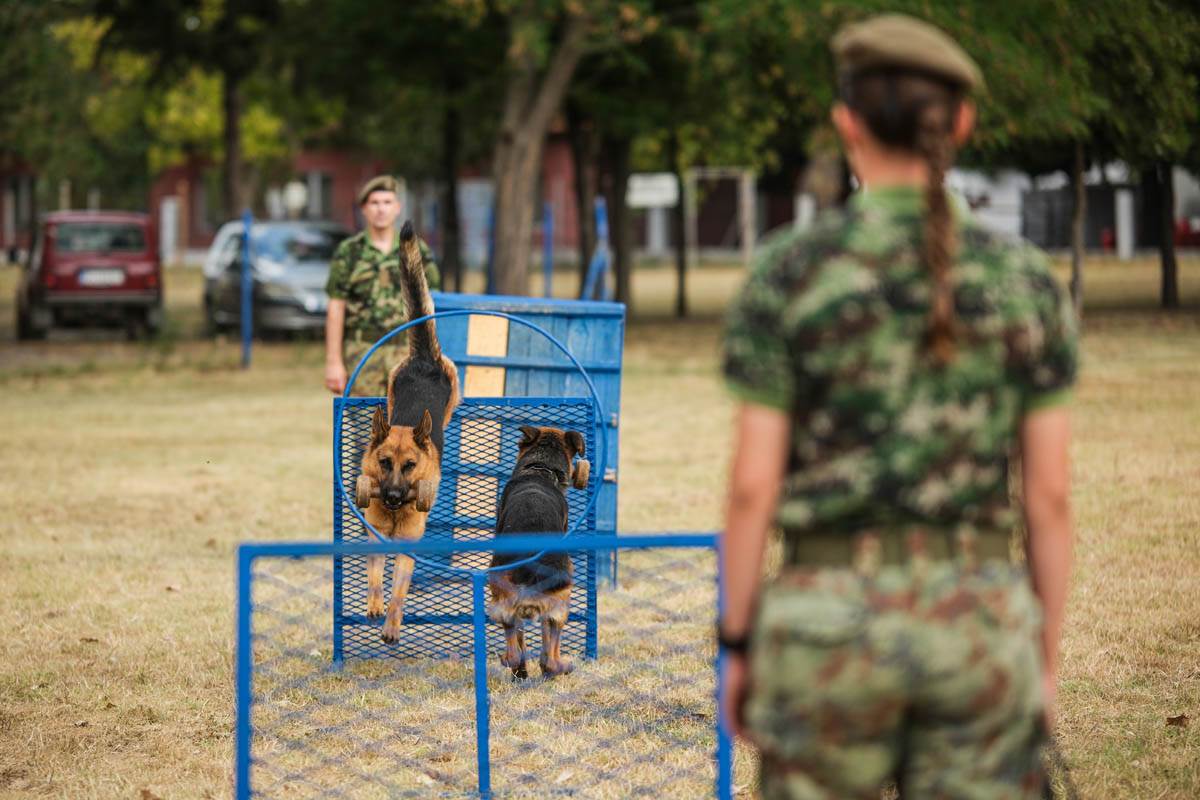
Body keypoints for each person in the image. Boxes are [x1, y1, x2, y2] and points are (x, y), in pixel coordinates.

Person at [718, 14, 1077, 799]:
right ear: (962, 123)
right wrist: (1040, 658)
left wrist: (736, 642)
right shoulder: (1024, 279)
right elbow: (1048, 497)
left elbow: (751, 488)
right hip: (978, 631)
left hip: (821, 637)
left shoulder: (789, 270)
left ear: (845, 123)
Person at [324, 175, 442, 396]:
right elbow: (336, 307)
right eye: (374, 203)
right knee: (365, 426)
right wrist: (333, 362)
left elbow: (433, 302)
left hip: (408, 352)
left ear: (397, 208)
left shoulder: (416, 250)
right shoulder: (349, 252)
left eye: (387, 202)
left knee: (408, 427)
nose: (381, 209)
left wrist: (433, 356)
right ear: (364, 209)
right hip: (363, 353)